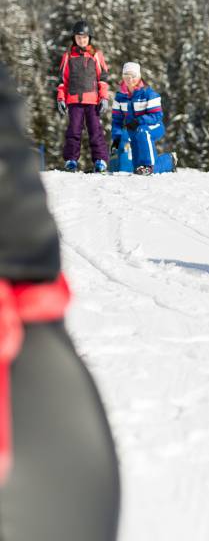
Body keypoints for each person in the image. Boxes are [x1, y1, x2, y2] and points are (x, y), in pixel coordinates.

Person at [0, 63, 120, 540]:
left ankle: (96, 159)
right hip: (22, 272)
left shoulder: (93, 60)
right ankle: (73, 160)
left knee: (92, 133)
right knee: (74, 134)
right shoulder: (74, 60)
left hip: (19, 276)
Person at [56, 20, 111, 173]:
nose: (82, 40)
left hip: (92, 100)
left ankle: (100, 160)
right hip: (74, 100)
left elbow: (103, 78)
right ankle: (71, 160)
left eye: (85, 37)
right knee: (73, 130)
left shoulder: (96, 55)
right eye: (79, 37)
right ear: (74, 38)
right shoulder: (68, 56)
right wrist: (61, 98)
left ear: (89, 38)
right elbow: (62, 81)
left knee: (95, 130)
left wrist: (104, 97)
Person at [111, 62, 177, 175]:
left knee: (142, 131)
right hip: (133, 129)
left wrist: (138, 121)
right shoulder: (120, 97)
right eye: (127, 76)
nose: (130, 79)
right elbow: (117, 120)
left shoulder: (148, 93)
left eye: (133, 76)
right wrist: (117, 138)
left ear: (139, 76)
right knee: (137, 168)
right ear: (123, 77)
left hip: (153, 126)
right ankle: (170, 160)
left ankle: (148, 166)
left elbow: (156, 116)